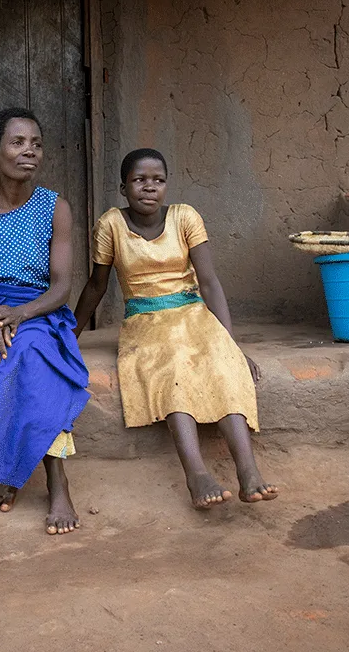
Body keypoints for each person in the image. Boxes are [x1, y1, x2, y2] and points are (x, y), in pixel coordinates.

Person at [73, 148, 278, 509]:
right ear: (123, 188)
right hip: (145, 319)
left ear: (167, 185)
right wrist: (68, 336)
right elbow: (96, 286)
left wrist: (230, 346)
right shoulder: (111, 225)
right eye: (139, 180)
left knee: (221, 364)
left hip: (194, 314)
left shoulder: (185, 217)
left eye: (158, 180)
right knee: (172, 364)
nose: (149, 188)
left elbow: (210, 282)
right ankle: (196, 473)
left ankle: (248, 471)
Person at [0, 107, 90, 535]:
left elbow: (62, 286)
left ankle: (55, 478)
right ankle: (11, 469)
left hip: (40, 310)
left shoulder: (55, 207)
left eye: (36, 143)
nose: (29, 151)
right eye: (18, 143)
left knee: (29, 353)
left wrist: (19, 315)